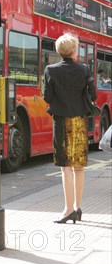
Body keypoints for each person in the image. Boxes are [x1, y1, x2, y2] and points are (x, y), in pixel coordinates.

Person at [43, 33, 97, 224]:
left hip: (61, 123)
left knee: (65, 169)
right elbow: (93, 94)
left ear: (59, 51)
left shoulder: (50, 70)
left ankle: (67, 209)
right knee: (79, 168)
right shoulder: (84, 69)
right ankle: (77, 208)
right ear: (74, 51)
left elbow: (47, 98)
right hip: (79, 122)